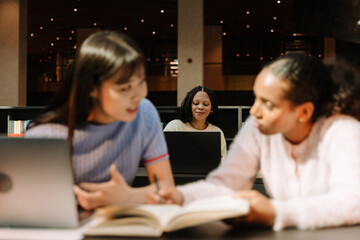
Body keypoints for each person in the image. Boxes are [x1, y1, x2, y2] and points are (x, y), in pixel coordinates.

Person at [149, 53, 360, 230]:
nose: (253, 111)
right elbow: (226, 184)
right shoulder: (258, 126)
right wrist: (179, 196)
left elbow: (352, 201)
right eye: (256, 98)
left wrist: (275, 212)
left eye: (267, 103)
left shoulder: (343, 131)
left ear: (303, 112)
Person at [25, 30, 174, 210]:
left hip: (115, 225)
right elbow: (30, 205)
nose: (140, 95)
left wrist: (128, 196)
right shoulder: (45, 135)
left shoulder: (144, 113)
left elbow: (167, 188)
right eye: (125, 88)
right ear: (91, 88)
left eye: (142, 81)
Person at [164, 86, 227, 160]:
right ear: (189, 106)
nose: (200, 107)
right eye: (196, 103)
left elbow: (223, 162)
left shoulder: (217, 131)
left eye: (206, 104)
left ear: (211, 108)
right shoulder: (174, 127)